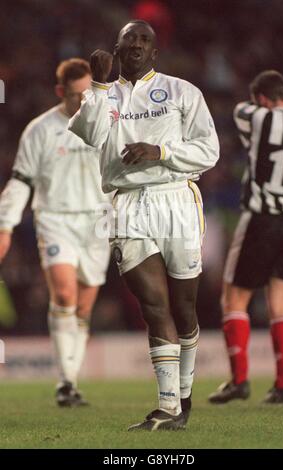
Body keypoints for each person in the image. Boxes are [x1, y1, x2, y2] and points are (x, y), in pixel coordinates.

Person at [69, 20, 219, 430]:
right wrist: (97, 88)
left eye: (144, 39)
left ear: (155, 52)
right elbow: (91, 133)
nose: (136, 43)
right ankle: (169, 407)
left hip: (176, 199)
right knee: (155, 307)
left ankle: (183, 396)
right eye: (129, 38)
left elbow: (209, 150)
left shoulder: (182, 92)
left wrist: (161, 150)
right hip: (126, 205)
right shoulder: (102, 94)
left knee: (185, 308)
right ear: (117, 49)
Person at [0, 58, 110, 406]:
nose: (83, 102)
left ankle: (71, 379)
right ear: (60, 92)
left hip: (98, 222)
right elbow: (21, 181)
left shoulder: (107, 122)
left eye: (88, 94)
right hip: (55, 219)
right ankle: (66, 384)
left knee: (84, 309)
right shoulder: (40, 130)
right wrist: (4, 226)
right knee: (64, 295)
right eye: (77, 95)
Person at [208, 70, 283, 405]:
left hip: (263, 218)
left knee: (234, 300)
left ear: (261, 97)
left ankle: (240, 381)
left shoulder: (256, 115)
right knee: (281, 304)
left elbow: (244, 110)